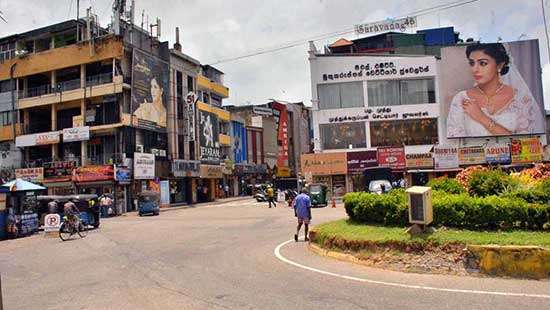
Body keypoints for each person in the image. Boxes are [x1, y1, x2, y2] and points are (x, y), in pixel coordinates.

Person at [447, 43, 545, 137]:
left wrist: (482, 118)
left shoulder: (522, 99)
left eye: (483, 63)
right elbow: (455, 143)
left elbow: (525, 144)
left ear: (500, 65)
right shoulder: (461, 99)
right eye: (472, 63)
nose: (475, 69)